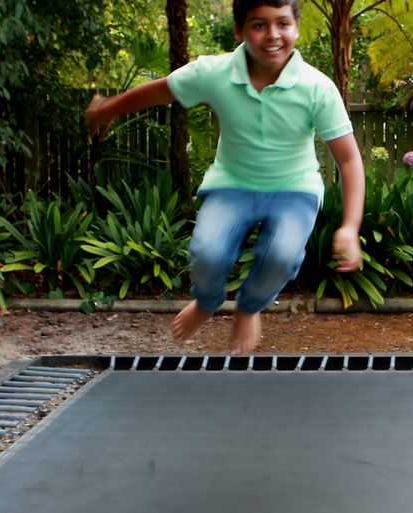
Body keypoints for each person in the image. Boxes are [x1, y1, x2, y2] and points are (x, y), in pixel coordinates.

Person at [85, 0, 365, 355]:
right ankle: (207, 301)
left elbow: (349, 159)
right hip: (232, 185)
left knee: (282, 255)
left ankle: (249, 308)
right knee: (207, 254)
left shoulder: (317, 88)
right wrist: (107, 109)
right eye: (258, 25)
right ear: (240, 31)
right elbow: (161, 90)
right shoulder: (215, 73)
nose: (273, 35)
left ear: (296, 27)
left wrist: (349, 227)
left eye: (282, 23)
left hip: (294, 190)